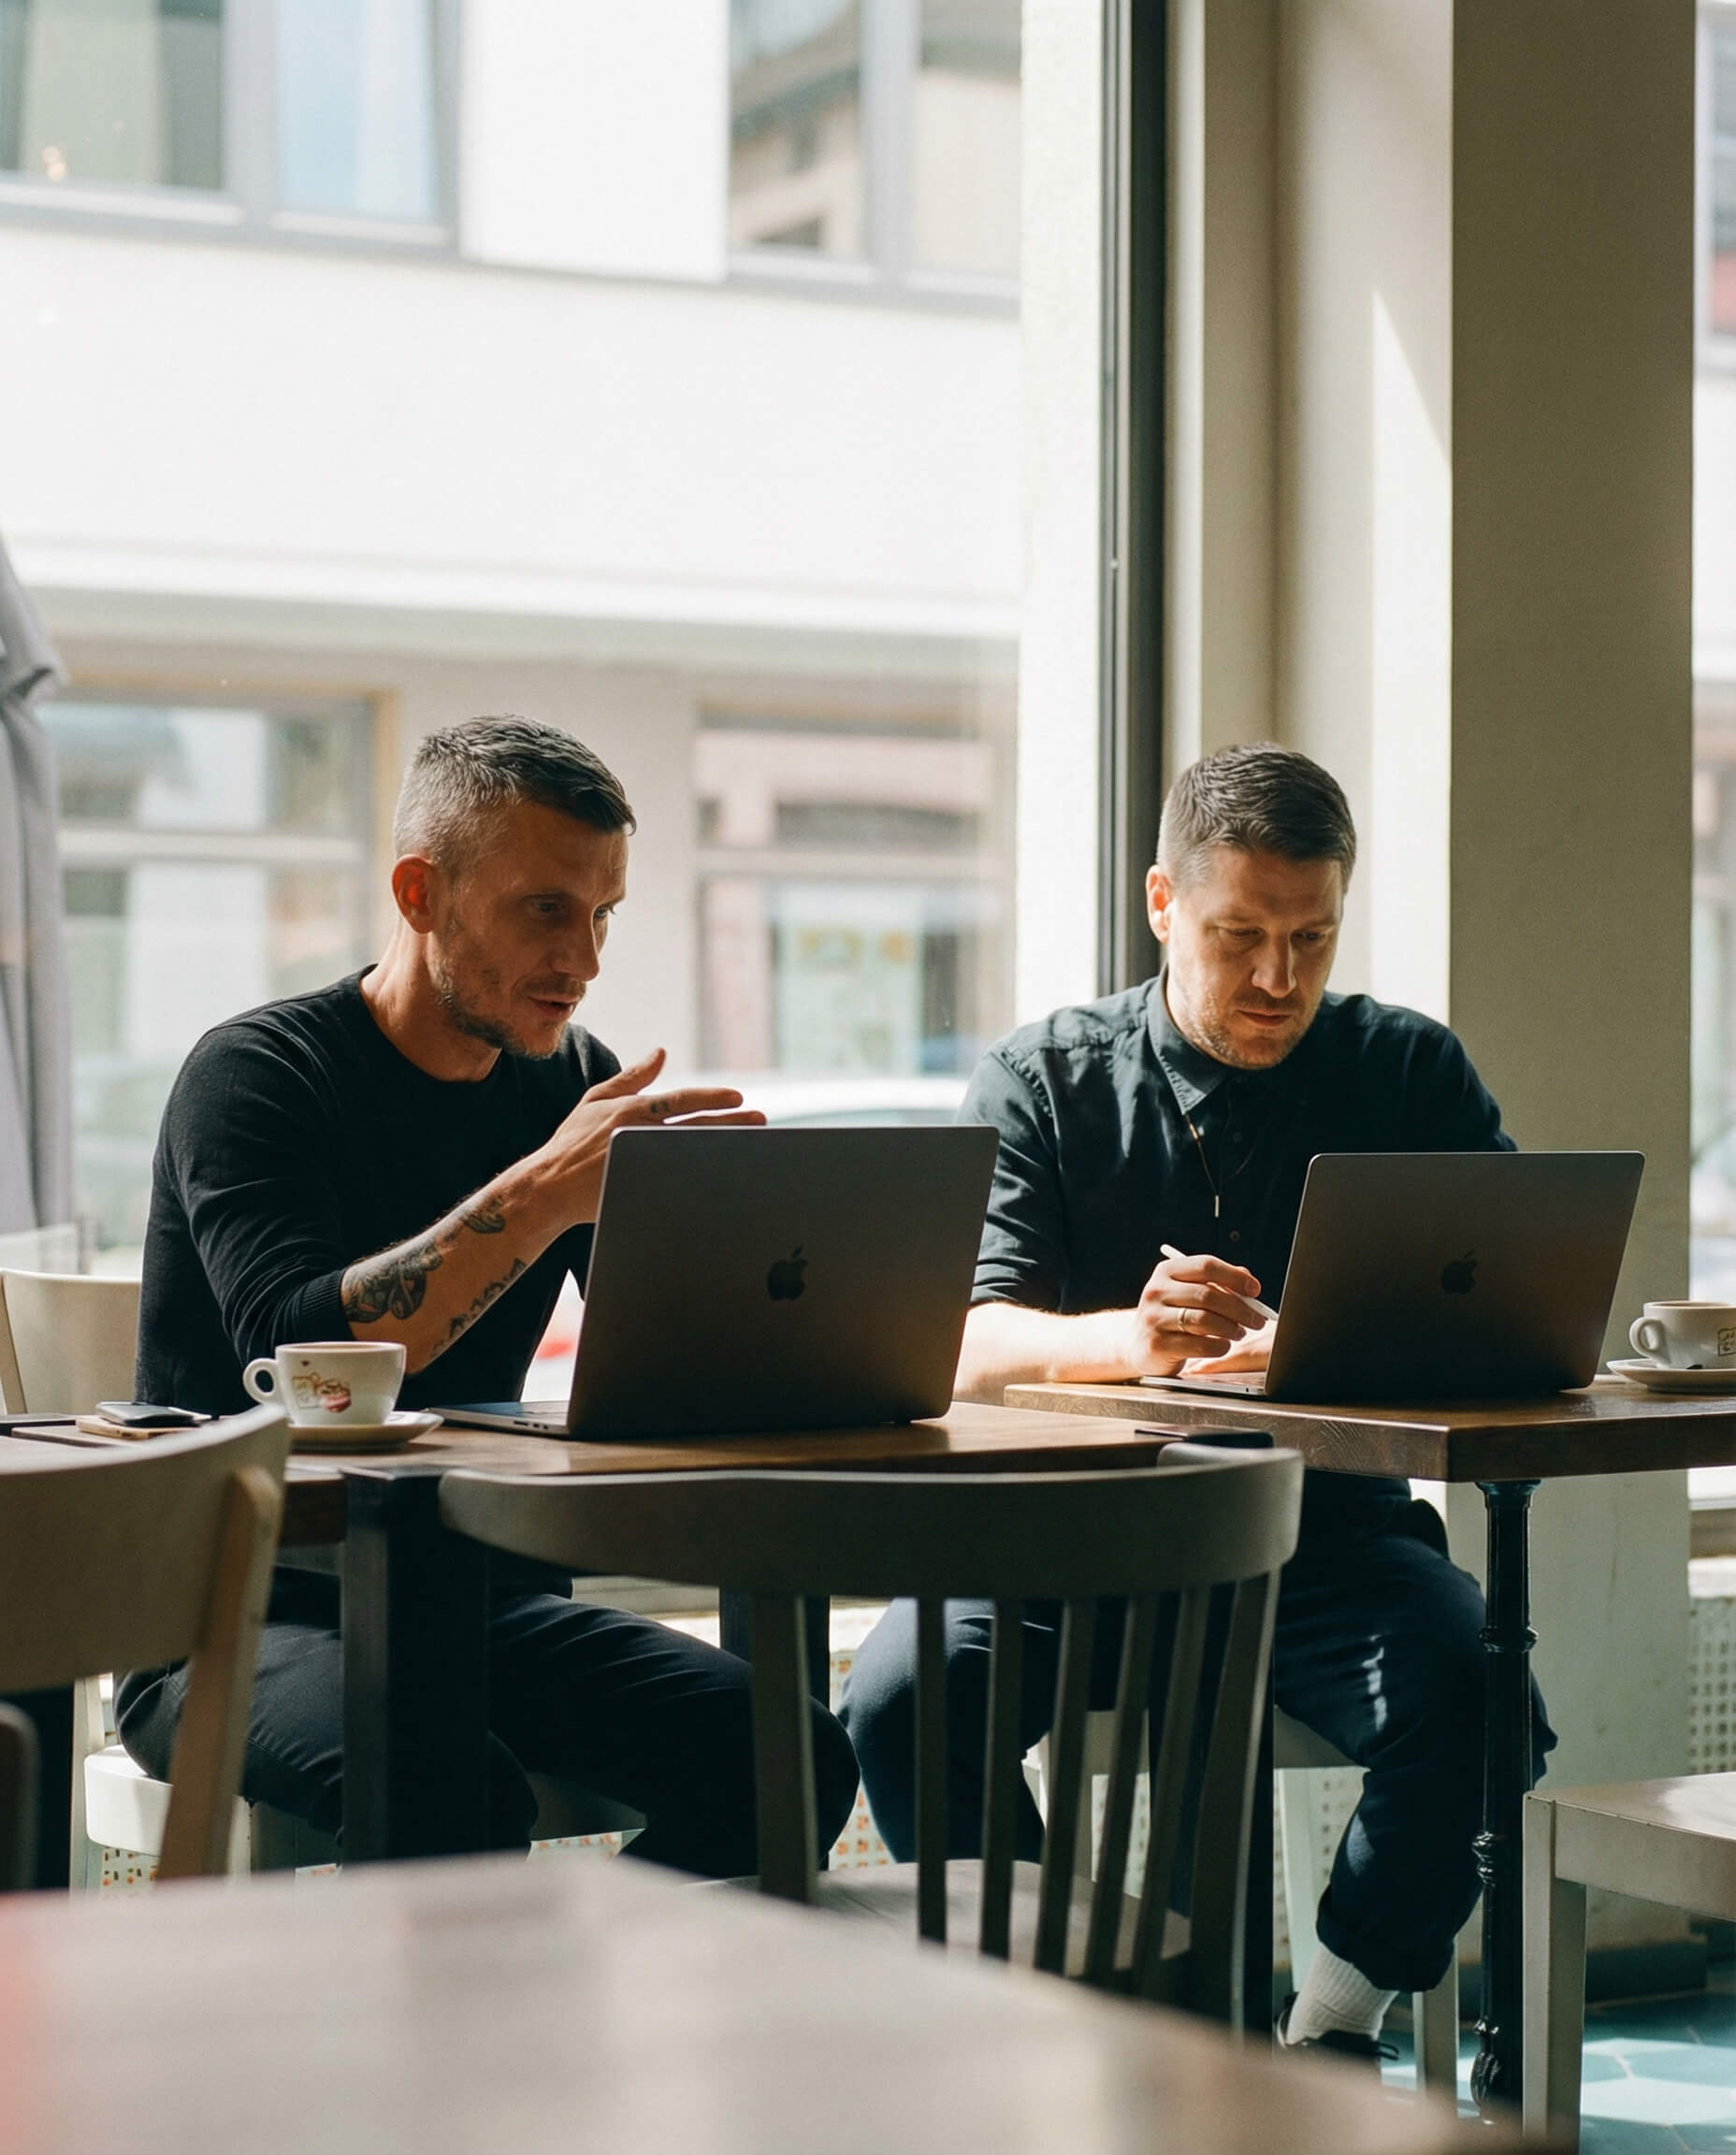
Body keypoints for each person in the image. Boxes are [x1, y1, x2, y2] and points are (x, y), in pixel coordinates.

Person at [841, 742, 1553, 2058]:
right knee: (897, 1698)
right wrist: (1131, 1337)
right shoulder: (1046, 1079)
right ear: (1163, 904)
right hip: (1060, 1542)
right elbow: (959, 1343)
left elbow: (1513, 1301)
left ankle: (1332, 2022)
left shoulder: (1407, 1071)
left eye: (1311, 938)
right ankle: (1076, 2012)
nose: (1279, 978)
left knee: (1480, 1691)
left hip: (1322, 1543)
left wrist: (1337, 1346)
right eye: (1240, 936)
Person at [119, 715, 860, 1873]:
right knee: (447, 1785)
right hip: (232, 1617)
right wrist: (543, 1191)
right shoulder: (255, 1075)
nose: (585, 956)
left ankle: (586, 1999)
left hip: (479, 1603)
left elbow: (670, 1351)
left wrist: (771, 1293)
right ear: (422, 893)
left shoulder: (570, 1079)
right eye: (545, 909)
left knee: (788, 1754)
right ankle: (462, 2051)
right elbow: (296, 1354)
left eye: (603, 912)